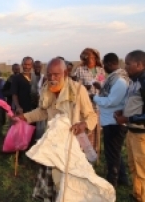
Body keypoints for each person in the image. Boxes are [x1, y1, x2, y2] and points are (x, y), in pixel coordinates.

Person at [15, 58, 98, 201]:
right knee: (50, 186)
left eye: (56, 74)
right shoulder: (47, 90)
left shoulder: (78, 90)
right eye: (49, 74)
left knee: (69, 188)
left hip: (71, 148)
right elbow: (42, 112)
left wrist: (83, 125)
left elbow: (91, 115)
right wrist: (24, 117)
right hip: (52, 146)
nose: (52, 78)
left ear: (65, 73)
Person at [91, 53, 129, 187]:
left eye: (104, 64)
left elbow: (111, 101)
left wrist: (94, 98)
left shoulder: (119, 81)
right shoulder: (113, 79)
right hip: (110, 121)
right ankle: (122, 179)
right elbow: (110, 94)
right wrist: (100, 88)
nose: (103, 67)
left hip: (115, 122)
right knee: (115, 152)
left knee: (112, 154)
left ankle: (112, 182)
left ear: (109, 63)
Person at [114, 50, 145, 202]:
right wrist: (122, 111)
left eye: (128, 63)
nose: (125, 67)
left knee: (142, 169)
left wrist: (128, 117)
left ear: (139, 64)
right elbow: (135, 103)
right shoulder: (134, 82)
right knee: (133, 166)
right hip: (132, 131)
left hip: (141, 134)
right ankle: (137, 194)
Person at [31, 60, 47, 140]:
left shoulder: (43, 77)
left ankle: (39, 139)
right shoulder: (30, 76)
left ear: (41, 67)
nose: (37, 68)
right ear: (33, 67)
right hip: (31, 102)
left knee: (40, 122)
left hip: (40, 102)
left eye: (39, 66)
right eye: (36, 66)